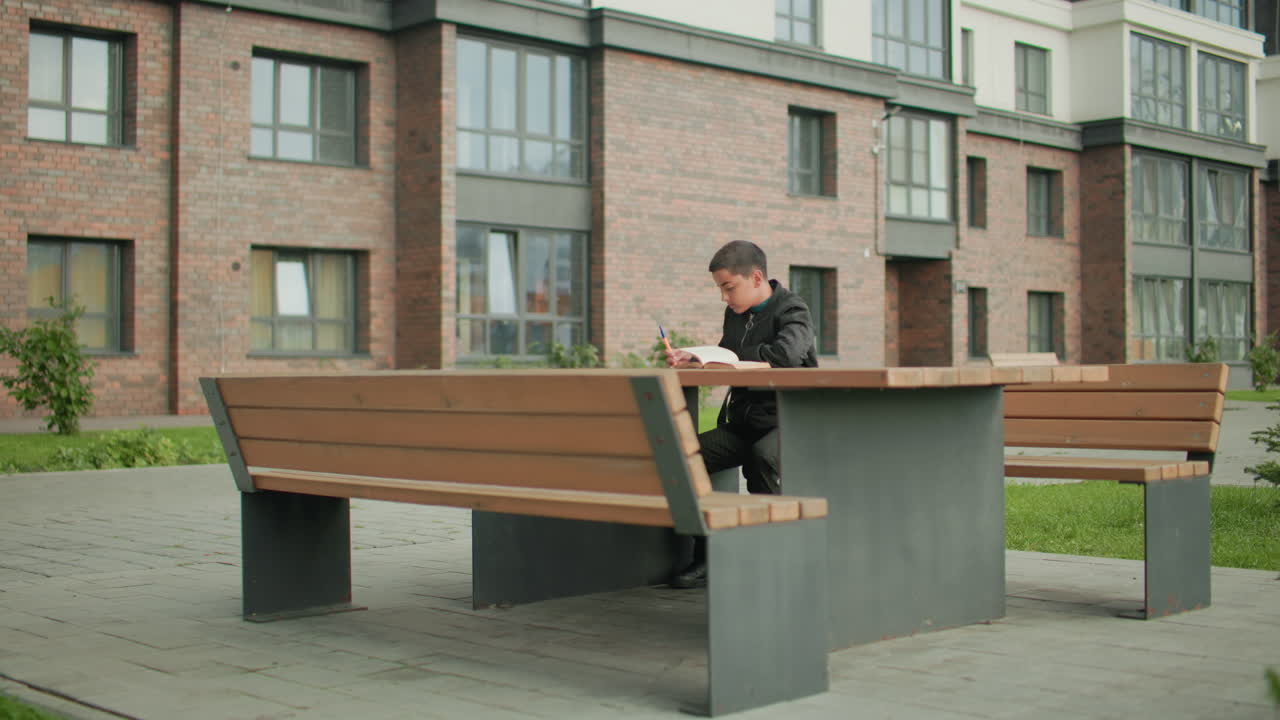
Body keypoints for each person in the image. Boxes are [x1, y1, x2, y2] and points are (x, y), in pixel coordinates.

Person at [664, 240, 818, 589]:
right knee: (689, 458)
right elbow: (727, 354)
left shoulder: (793, 309)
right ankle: (707, 557)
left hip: (787, 421)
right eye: (720, 288)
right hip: (745, 421)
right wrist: (694, 358)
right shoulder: (735, 314)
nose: (724, 297)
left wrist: (737, 354)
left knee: (763, 458)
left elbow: (786, 356)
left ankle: (777, 561)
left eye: (728, 287)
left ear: (756, 277)